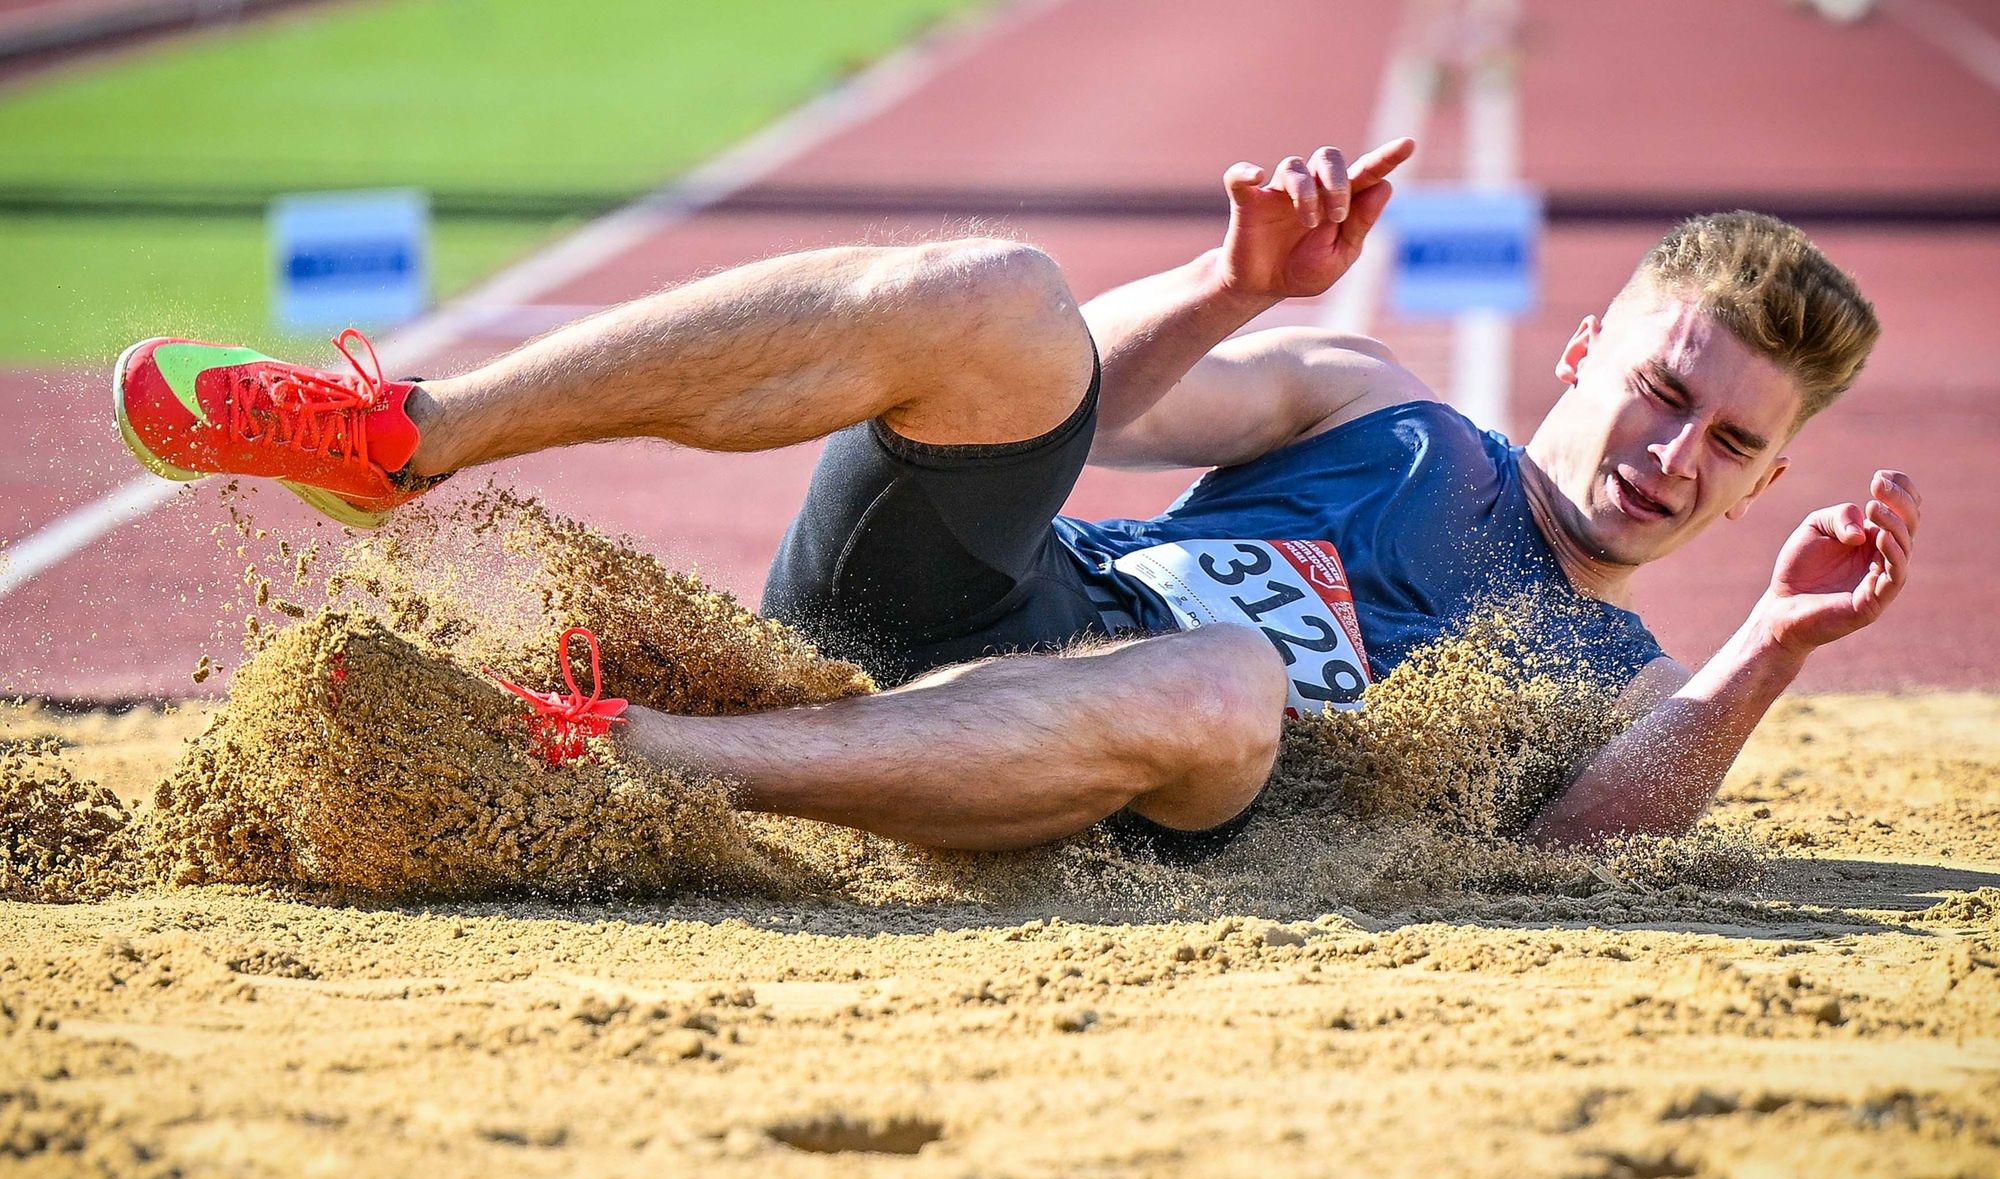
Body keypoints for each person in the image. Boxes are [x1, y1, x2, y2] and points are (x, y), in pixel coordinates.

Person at [112, 138, 1919, 853]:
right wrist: (1236, 288)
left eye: (1731, 447)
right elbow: (1088, 416)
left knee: (1232, 689)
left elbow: (1578, 857)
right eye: (1667, 392)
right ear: (1587, 347)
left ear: (1762, 487)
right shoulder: (1387, 413)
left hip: (1131, 768)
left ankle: (622, 754)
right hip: (970, 610)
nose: (1673, 457)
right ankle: (409, 434)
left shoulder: (1622, 670)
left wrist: (1770, 643)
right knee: (999, 293)